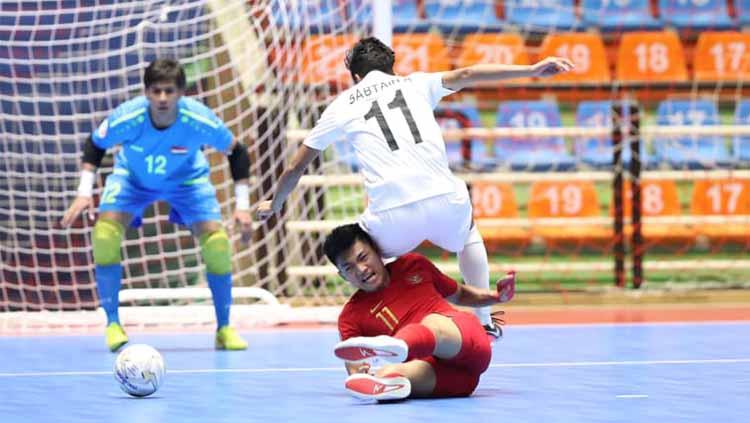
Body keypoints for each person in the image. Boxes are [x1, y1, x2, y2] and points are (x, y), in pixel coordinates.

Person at [256, 37, 571, 338]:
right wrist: (531, 71)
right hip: (445, 202)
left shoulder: (341, 106)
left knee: (363, 257)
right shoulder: (417, 83)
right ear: (393, 67)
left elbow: (296, 166)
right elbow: (469, 73)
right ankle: (485, 321)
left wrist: (275, 203)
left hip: (391, 220)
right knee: (469, 236)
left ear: (354, 75)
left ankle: (388, 325)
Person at [60, 59, 251, 352]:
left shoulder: (197, 119)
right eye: (156, 91)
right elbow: (95, 144)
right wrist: (84, 192)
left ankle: (224, 328)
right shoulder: (129, 116)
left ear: (181, 93)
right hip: (132, 179)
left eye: (169, 91)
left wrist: (243, 206)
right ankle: (112, 324)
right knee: (104, 235)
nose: (163, 98)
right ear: (146, 92)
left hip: (187, 181)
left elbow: (237, 152)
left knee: (218, 243)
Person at [323, 223, 515, 401]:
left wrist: (497, 297)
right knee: (388, 374)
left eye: (363, 257)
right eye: (349, 268)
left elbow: (461, 294)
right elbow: (353, 363)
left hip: (467, 343)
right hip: (457, 381)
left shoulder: (413, 265)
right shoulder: (350, 317)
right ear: (342, 276)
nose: (361, 269)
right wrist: (359, 373)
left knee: (433, 323)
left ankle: (400, 344)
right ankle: (391, 384)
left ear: (376, 250)